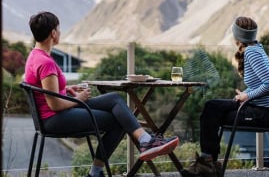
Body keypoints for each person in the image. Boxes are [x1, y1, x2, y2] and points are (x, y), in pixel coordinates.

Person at [24, 11, 179, 177]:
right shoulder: (45, 62)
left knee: (114, 99)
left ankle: (145, 141)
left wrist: (67, 90)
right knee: (118, 121)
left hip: (54, 114)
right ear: (53, 33)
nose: (60, 32)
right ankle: (98, 171)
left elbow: (49, 92)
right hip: (54, 119)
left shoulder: (36, 56)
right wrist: (78, 99)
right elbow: (54, 104)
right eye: (58, 29)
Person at [181, 16, 269, 177]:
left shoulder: (251, 52)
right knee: (212, 106)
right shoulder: (256, 48)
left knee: (213, 111)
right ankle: (209, 163)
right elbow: (261, 83)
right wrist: (246, 93)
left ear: (237, 35)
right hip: (259, 107)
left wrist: (247, 96)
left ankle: (208, 165)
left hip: (265, 113)